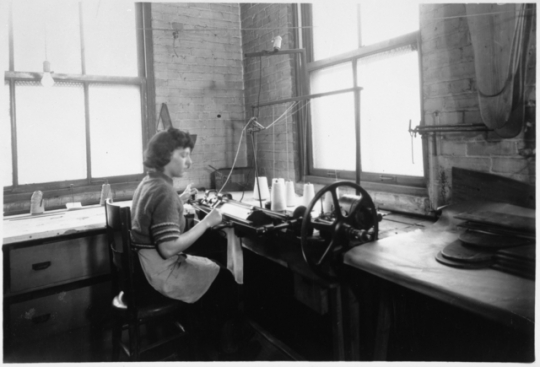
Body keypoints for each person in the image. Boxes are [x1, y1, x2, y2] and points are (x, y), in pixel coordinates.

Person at [130, 127, 247, 358]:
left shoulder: (149, 183)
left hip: (141, 272)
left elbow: (157, 211)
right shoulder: (164, 192)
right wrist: (207, 222)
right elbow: (168, 248)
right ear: (164, 156)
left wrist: (179, 200)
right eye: (183, 155)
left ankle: (211, 338)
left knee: (213, 267)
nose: (189, 161)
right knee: (225, 279)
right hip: (159, 275)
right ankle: (226, 349)